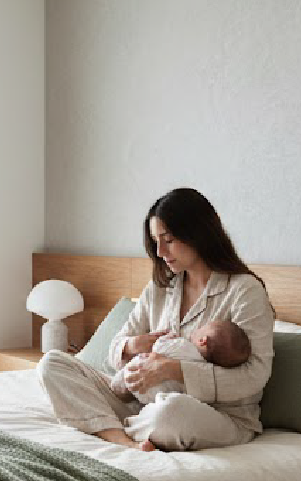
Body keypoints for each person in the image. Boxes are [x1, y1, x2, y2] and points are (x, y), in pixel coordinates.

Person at [37, 187, 275, 452]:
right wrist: (133, 346)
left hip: (213, 415)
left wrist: (171, 370)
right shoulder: (160, 287)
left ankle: (97, 420)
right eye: (155, 241)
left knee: (171, 413)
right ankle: (122, 438)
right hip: (142, 402)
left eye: (169, 239)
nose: (160, 251)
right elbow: (116, 347)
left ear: (198, 233)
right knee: (52, 364)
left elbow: (254, 376)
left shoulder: (244, 290)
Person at [108, 318, 251, 404]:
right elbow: (115, 347)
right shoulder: (203, 366)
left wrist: (163, 339)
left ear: (202, 340)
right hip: (156, 398)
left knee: (119, 383)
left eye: (201, 328)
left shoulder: (182, 344)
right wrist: (131, 344)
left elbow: (160, 346)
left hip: (135, 375)